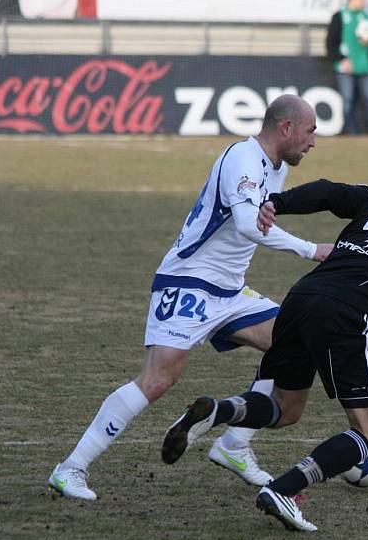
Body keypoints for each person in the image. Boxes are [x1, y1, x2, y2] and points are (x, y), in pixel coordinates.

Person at [160, 161, 368, 532]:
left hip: (301, 297)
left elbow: (329, 190)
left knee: (284, 407)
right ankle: (285, 490)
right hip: (348, 311)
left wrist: (276, 201)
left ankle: (218, 410)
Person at [47, 95, 333, 500]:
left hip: (230, 290)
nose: (313, 141)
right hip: (189, 282)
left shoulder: (278, 167)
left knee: (294, 342)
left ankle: (234, 445)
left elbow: (257, 221)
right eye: (310, 131)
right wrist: (311, 249)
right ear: (285, 128)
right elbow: (250, 225)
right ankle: (70, 469)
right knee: (159, 379)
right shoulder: (243, 158)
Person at [326, 0, 368, 135]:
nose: (364, 1)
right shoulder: (340, 16)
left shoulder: (366, 18)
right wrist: (342, 60)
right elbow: (330, 43)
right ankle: (352, 131)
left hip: (365, 67)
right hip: (345, 68)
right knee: (348, 100)